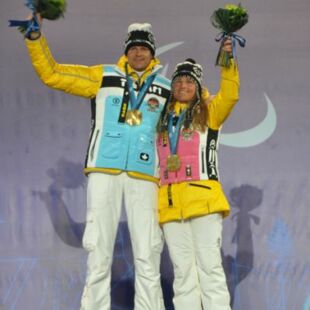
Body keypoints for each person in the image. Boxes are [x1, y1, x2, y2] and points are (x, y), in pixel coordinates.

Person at [18, 15, 171, 310]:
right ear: (126, 51)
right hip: (104, 169)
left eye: (144, 48)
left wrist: (227, 59)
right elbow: (52, 74)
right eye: (133, 47)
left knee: (149, 252)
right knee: (98, 249)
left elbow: (205, 108)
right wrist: (35, 40)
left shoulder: (165, 87)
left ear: (153, 53)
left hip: (146, 174)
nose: (138, 52)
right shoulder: (103, 76)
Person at [156, 39, 238, 310]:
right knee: (183, 275)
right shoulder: (162, 120)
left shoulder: (210, 112)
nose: (183, 85)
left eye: (190, 82)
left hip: (204, 201)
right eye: (178, 81)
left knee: (210, 269)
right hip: (170, 206)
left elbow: (230, 94)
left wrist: (227, 59)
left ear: (198, 87)